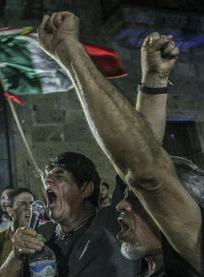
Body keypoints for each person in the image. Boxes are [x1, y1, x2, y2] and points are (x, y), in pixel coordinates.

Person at [37, 12, 202, 275]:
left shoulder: (197, 248)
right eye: (129, 198)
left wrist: (69, 52)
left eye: (142, 201)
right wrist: (154, 81)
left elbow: (145, 172)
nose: (120, 207)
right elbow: (140, 159)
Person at [0, 152, 133, 276]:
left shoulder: (112, 223)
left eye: (59, 176)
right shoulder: (42, 233)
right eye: (47, 177)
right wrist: (16, 256)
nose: (47, 181)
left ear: (86, 189)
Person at [0, 188, 34, 277]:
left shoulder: (42, 236)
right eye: (22, 204)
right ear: (10, 211)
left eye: (32, 204)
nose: (29, 208)